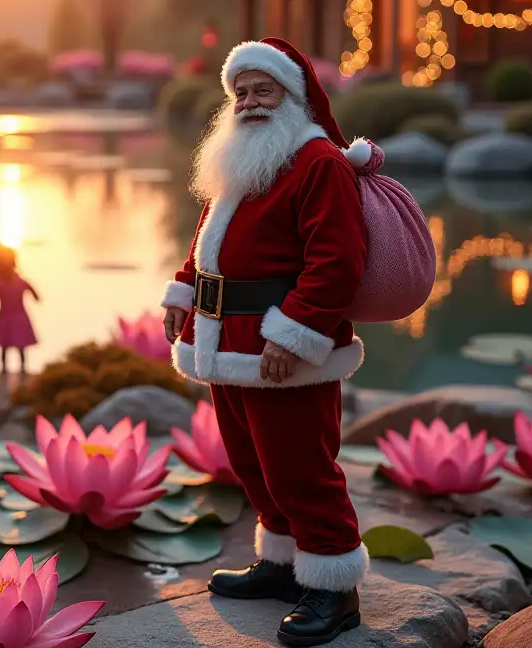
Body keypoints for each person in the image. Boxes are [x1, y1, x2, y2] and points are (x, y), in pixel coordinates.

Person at [159, 37, 369, 647]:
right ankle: (282, 564)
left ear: (292, 95)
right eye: (241, 91)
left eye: (264, 89)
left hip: (283, 348)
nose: (250, 102)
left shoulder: (317, 162)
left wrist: (297, 333)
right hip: (227, 344)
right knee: (253, 464)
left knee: (301, 466)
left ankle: (334, 587)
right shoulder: (239, 159)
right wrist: (182, 292)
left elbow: (337, 262)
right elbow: (210, 239)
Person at [0, 245, 39, 374]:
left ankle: (4, 370)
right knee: (20, 346)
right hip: (19, 317)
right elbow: (36, 296)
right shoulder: (20, 281)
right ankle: (22, 369)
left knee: (5, 346)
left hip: (5, 318)